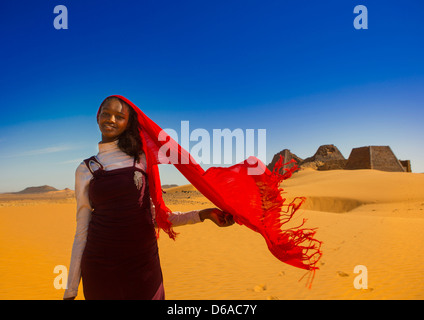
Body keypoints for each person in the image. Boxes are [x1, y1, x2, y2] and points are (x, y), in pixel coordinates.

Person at [63, 96, 234, 300]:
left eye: (119, 116)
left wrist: (204, 214)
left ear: (128, 123)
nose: (111, 119)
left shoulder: (142, 160)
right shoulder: (85, 169)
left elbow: (155, 217)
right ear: (97, 117)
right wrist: (71, 289)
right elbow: (82, 229)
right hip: (100, 266)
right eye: (106, 114)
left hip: (143, 265)